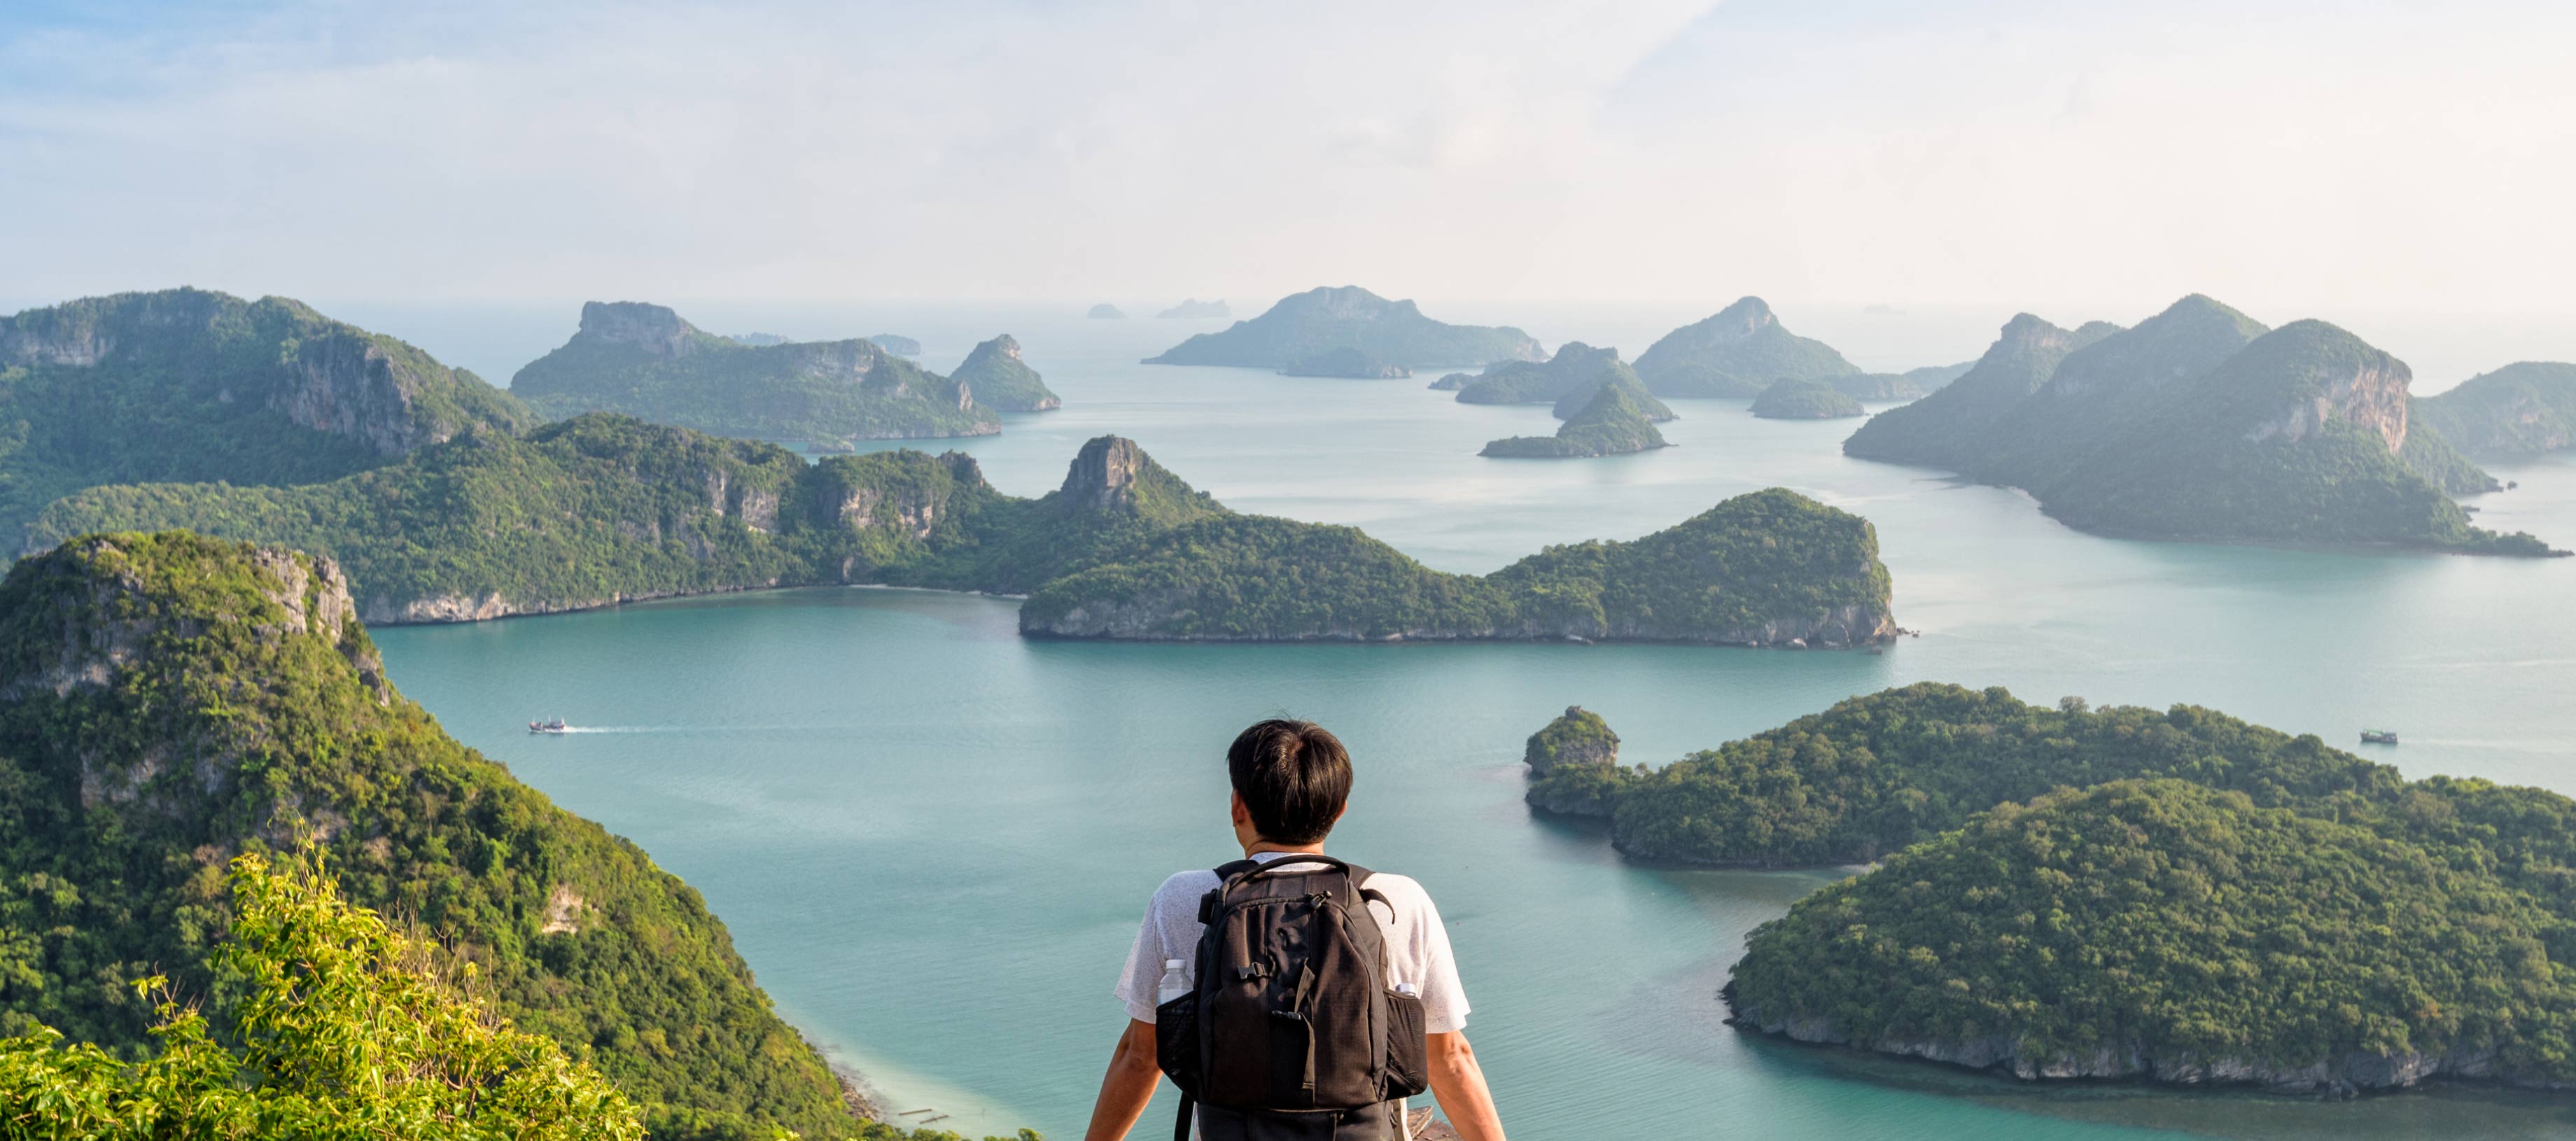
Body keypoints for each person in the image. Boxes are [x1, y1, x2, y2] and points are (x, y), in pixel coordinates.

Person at [1082, 719, 1506, 1141]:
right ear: (1339, 810)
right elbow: (1450, 1058)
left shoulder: (1184, 898)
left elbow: (1139, 1057)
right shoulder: (1397, 900)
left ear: (1237, 806)